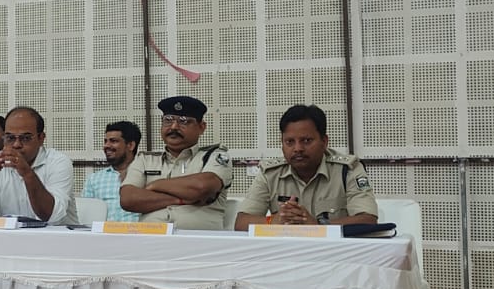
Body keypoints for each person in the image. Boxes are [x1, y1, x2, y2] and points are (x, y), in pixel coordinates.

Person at [235, 105, 378, 228]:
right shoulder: (270, 173)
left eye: (306, 140)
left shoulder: (348, 170)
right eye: (289, 142)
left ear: (324, 141)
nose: (298, 148)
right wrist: (274, 220)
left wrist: (317, 225)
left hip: (333, 250)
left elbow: (368, 220)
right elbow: (241, 223)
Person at [116, 96, 232, 230]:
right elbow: (128, 199)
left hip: (198, 238)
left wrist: (155, 185)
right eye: (168, 120)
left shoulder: (214, 156)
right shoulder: (145, 160)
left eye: (183, 121)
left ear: (201, 127)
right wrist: (181, 199)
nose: (174, 126)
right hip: (151, 236)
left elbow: (202, 187)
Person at [0, 106, 73, 224]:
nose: (16, 144)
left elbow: (51, 215)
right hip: (12, 234)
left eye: (26, 138)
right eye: (10, 138)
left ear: (41, 138)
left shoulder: (58, 162)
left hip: (58, 234)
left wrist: (27, 173)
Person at [80, 120, 141, 222]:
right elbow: (85, 217)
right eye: (105, 141)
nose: (106, 146)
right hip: (103, 232)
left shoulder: (147, 175)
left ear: (130, 145)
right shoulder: (94, 179)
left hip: (138, 231)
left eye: (113, 141)